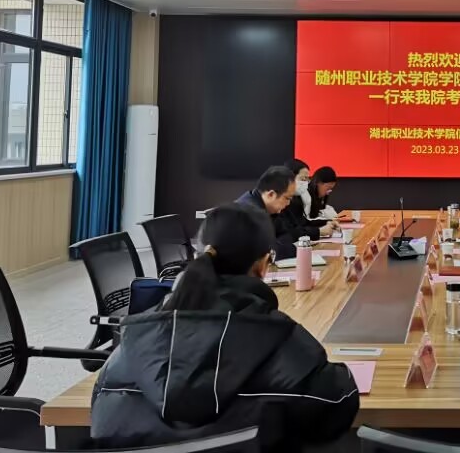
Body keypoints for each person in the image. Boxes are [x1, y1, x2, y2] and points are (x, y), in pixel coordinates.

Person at [91, 204, 359, 451]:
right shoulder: (278, 337)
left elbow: (101, 418)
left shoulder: (134, 339)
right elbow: (337, 404)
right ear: (263, 264)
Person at [281, 159, 340, 244]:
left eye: (307, 179)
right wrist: (319, 231)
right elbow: (291, 232)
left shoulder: (295, 199)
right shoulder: (281, 202)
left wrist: (327, 222)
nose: (306, 183)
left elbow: (304, 222)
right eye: (303, 179)